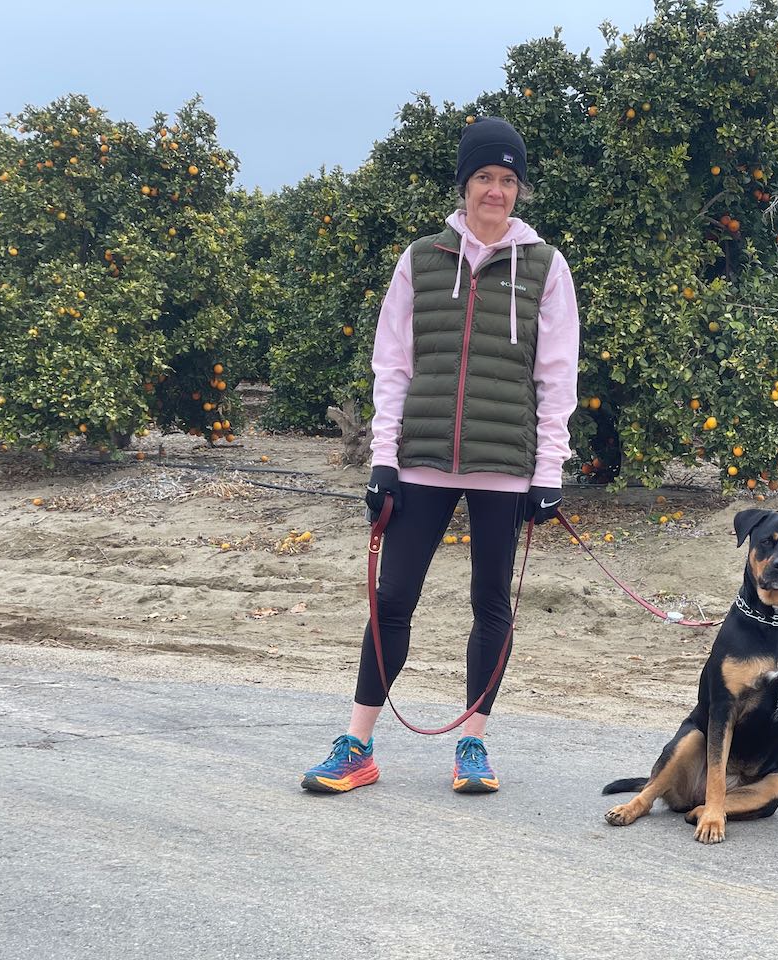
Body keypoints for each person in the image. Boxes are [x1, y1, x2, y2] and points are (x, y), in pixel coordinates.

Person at [301, 117, 580, 796]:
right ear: (464, 185)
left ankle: (472, 747)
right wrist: (382, 459)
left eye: (508, 180)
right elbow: (391, 365)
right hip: (420, 459)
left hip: (503, 466)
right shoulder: (420, 259)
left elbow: (556, 376)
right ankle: (357, 745)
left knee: (492, 605)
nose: (496, 191)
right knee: (392, 599)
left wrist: (549, 472)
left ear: (519, 190)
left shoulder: (544, 266)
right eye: (485, 177)